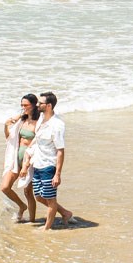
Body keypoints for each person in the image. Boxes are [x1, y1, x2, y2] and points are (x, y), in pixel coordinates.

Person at [23, 91, 77, 230]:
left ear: (48, 106)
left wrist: (57, 174)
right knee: (39, 196)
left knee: (51, 200)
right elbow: (37, 137)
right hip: (38, 164)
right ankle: (65, 213)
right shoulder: (41, 118)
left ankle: (47, 228)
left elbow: (60, 150)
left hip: (49, 166)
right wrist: (28, 155)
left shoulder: (57, 125)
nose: (38, 105)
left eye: (40, 103)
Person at [0, 93, 39, 223]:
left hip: (30, 161)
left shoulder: (39, 123)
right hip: (16, 159)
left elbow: (38, 144)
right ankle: (22, 206)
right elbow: (9, 138)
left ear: (34, 105)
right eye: (21, 105)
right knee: (5, 187)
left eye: (26, 105)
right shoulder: (21, 120)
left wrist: (26, 165)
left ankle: (32, 221)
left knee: (28, 192)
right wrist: (6, 126)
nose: (23, 107)